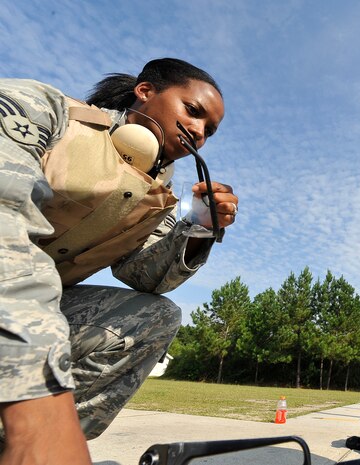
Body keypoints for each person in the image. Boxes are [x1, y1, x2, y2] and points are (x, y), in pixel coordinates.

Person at [0, 58, 237, 465]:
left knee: (155, 318)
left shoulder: (158, 198)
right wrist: (38, 408)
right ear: (145, 92)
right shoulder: (43, 110)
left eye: (209, 131)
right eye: (192, 111)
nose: (199, 131)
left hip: (38, 313)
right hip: (18, 303)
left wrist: (199, 227)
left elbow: (146, 278)